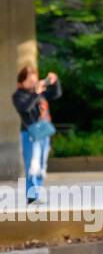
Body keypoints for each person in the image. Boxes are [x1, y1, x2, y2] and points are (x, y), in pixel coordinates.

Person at [11, 65, 61, 203]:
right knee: (32, 164)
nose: (33, 80)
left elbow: (56, 94)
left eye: (34, 77)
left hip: (43, 132)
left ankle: (37, 193)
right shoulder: (18, 95)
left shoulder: (38, 92)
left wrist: (55, 82)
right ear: (21, 81)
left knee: (41, 164)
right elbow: (25, 108)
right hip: (30, 134)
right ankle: (32, 197)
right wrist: (36, 93)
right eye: (29, 78)